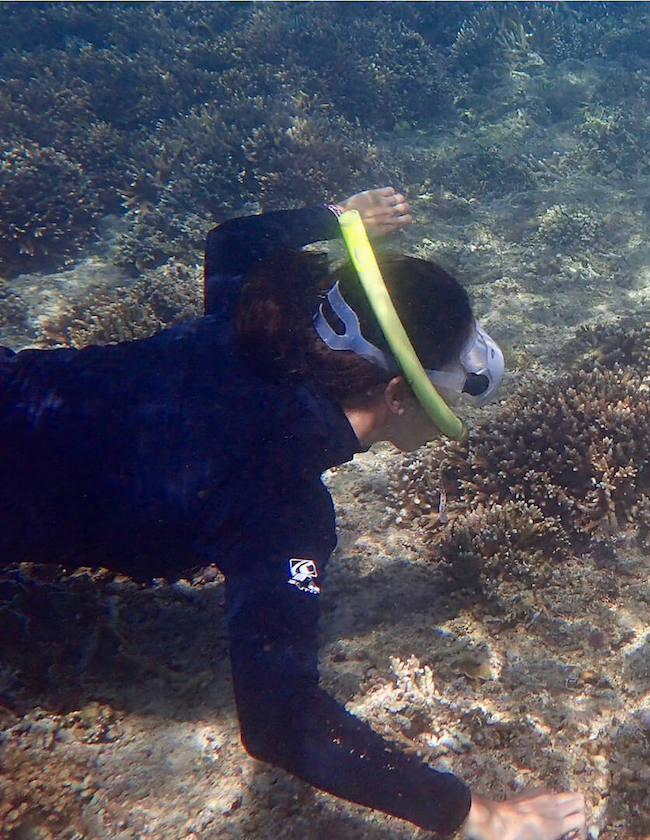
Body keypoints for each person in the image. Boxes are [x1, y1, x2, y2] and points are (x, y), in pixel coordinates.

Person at [0, 188, 587, 840]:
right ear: (398, 394)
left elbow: (233, 241)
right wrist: (476, 814)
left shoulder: (251, 318)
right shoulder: (283, 503)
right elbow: (280, 719)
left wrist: (337, 219)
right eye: (450, 391)